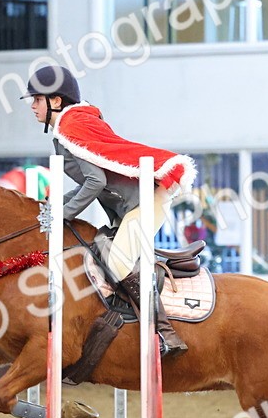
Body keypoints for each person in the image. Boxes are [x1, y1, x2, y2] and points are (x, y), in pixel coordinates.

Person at [22, 65, 195, 357]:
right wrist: (53, 206)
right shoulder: (70, 127)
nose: (32, 107)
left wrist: (63, 215)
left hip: (146, 201)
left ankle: (166, 334)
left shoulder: (71, 127)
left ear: (55, 101)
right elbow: (92, 184)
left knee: (117, 263)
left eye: (36, 100)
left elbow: (95, 181)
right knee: (99, 248)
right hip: (131, 205)